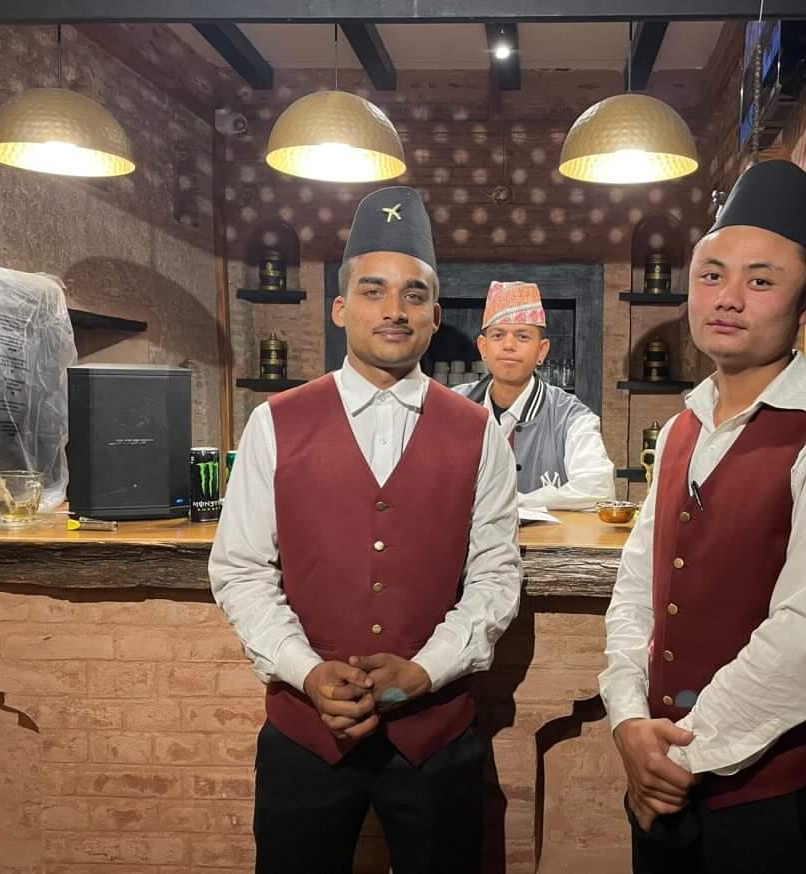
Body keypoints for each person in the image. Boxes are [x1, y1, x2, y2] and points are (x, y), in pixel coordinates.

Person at [210, 186, 522, 874]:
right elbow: (240, 570)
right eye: (374, 290)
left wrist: (425, 670)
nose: (394, 309)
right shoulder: (275, 423)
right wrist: (305, 669)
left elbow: (497, 576)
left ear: (436, 316)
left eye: (414, 295)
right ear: (340, 308)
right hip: (305, 732)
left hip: (436, 735)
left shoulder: (479, 433)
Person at [599, 160, 806, 874]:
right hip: (660, 783)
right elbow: (636, 591)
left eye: (760, 281)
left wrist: (680, 754)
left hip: (770, 807)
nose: (728, 298)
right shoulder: (680, 430)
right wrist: (628, 724)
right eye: (712, 275)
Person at [456, 280, 615, 510]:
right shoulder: (454, 406)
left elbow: (599, 488)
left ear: (542, 350)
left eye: (522, 337)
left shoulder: (571, 415)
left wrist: (516, 504)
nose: (509, 345)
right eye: (498, 336)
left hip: (547, 545)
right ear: (483, 347)